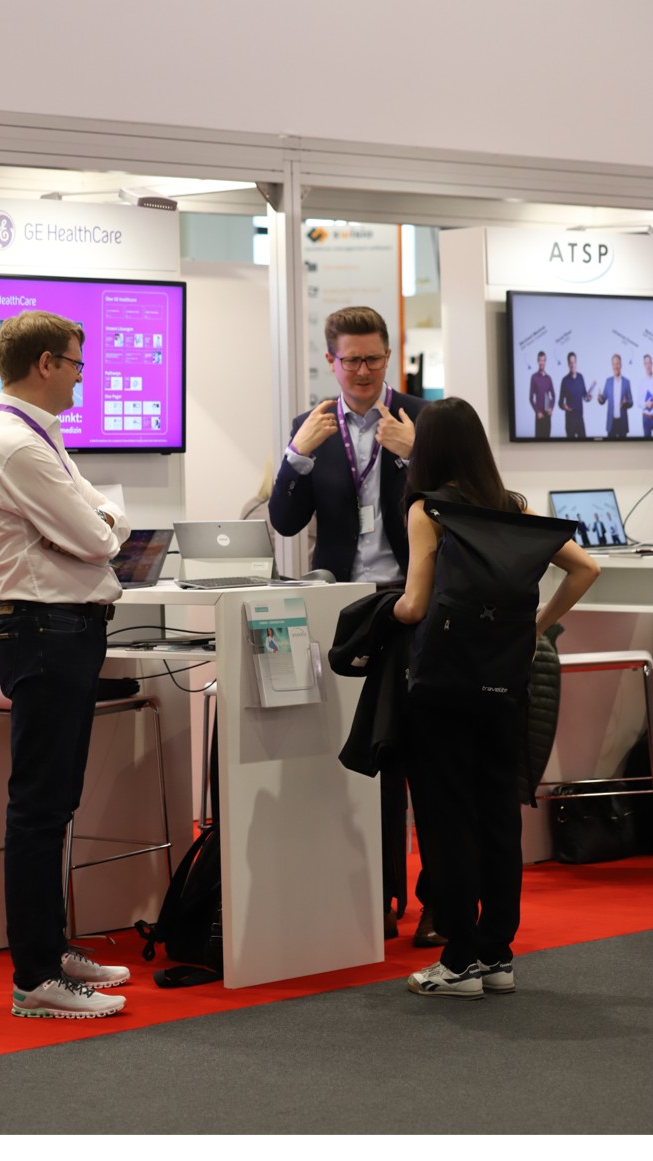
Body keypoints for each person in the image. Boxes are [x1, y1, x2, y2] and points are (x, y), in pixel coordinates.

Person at [393, 397, 599, 998]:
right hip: (504, 682)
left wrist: (380, 613)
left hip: (441, 685)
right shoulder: (515, 508)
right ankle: (496, 955)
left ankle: (458, 959)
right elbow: (586, 568)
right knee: (498, 815)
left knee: (447, 819)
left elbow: (414, 604)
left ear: (428, 450)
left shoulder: (429, 509)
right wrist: (535, 627)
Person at [0, 310, 132, 1019]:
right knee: (38, 807)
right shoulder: (15, 446)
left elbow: (102, 523)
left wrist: (96, 530)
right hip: (44, 632)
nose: (82, 377)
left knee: (54, 803)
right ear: (45, 365)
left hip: (62, 631)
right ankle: (35, 976)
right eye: (76, 363)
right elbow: (100, 537)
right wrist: (97, 531)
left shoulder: (37, 436)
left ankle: (51, 950)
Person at [269, 306, 437, 944]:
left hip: (414, 602)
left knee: (424, 759)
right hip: (347, 609)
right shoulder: (311, 425)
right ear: (331, 361)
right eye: (350, 360)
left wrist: (417, 456)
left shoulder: (424, 419)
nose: (362, 371)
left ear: (388, 357)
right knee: (370, 754)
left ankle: (437, 899)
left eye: (372, 358)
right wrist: (296, 456)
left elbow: (461, 506)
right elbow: (285, 522)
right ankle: (379, 895)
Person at [558, 352, 595, 440]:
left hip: (580, 418)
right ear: (568, 364)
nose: (573, 365)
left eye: (574, 362)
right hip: (570, 421)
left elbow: (584, 396)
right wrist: (564, 406)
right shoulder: (564, 380)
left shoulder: (580, 377)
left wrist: (589, 398)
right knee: (571, 447)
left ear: (576, 363)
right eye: (570, 363)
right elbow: (560, 402)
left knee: (584, 444)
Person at [598, 354, 634, 439]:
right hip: (611, 423)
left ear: (621, 365)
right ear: (612, 366)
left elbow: (631, 402)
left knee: (624, 447)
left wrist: (625, 403)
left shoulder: (626, 382)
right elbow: (603, 400)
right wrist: (600, 398)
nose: (616, 366)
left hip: (622, 422)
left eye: (617, 364)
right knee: (610, 447)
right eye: (614, 364)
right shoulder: (608, 382)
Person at [529, 351, 555, 439]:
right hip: (539, 415)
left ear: (545, 362)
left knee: (548, 441)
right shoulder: (534, 377)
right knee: (538, 441)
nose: (541, 362)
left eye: (543, 360)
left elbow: (553, 395)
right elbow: (531, 398)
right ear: (537, 361)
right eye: (540, 360)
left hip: (547, 414)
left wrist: (551, 407)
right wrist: (537, 412)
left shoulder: (548, 378)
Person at [639, 353, 653, 439]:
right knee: (646, 443)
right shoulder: (642, 382)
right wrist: (645, 404)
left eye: (649, 363)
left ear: (652, 363)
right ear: (644, 365)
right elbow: (638, 402)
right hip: (646, 418)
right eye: (646, 363)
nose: (648, 365)